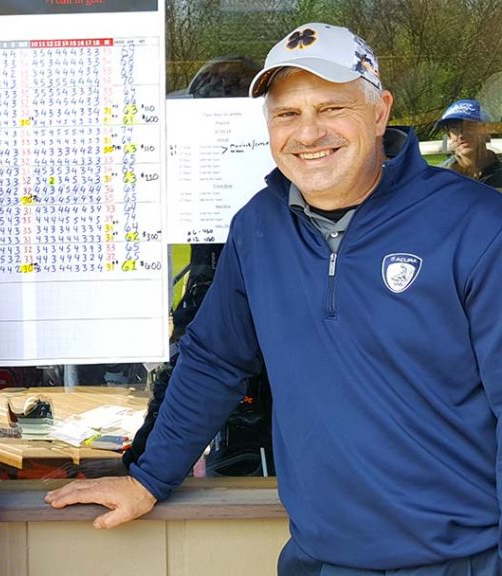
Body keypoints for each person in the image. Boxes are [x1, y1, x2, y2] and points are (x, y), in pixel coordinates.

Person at [46, 22, 502, 575]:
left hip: (460, 562)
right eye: (287, 114)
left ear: (380, 111)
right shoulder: (259, 228)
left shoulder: (476, 225)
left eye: (331, 108)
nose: (308, 133)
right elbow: (215, 360)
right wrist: (149, 477)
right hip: (317, 559)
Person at [435, 98, 502, 188]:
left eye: (469, 126)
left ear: (485, 130)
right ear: (449, 135)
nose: (462, 134)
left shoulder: (499, 175)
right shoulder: (439, 178)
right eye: (454, 128)